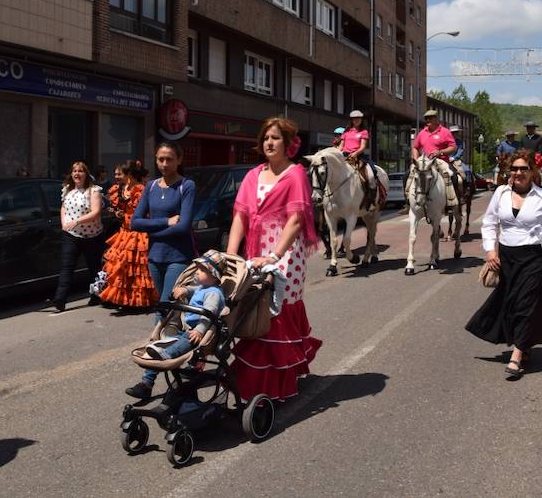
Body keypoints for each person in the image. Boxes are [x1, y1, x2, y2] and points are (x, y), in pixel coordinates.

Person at [226, 117, 322, 401]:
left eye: (276, 138)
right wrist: (231, 256)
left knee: (274, 311)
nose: (269, 142)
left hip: (286, 253)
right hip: (256, 253)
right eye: (266, 137)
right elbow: (240, 217)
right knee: (253, 308)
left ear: (289, 143)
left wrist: (276, 256)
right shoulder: (253, 175)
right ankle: (255, 379)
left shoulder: (296, 175)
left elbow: (296, 220)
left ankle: (276, 382)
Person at [465, 149, 542, 380]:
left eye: (523, 169)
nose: (518, 173)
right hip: (506, 256)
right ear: (508, 171)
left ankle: (516, 354)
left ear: (533, 171)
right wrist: (490, 250)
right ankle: (526, 343)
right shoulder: (501, 193)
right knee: (511, 302)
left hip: (533, 256)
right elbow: (489, 223)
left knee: (526, 302)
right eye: (514, 169)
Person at [125, 250, 227, 399]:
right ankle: (146, 383)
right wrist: (184, 290)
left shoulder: (214, 293)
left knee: (175, 346)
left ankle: (167, 355)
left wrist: (199, 330)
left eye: (202, 270)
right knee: (162, 343)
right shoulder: (202, 288)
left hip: (198, 333)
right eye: (197, 268)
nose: (197, 272)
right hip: (186, 329)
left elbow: (208, 314)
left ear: (213, 275)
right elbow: (192, 290)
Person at [131, 141, 196, 308]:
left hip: (179, 256)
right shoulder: (150, 186)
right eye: (161, 159)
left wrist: (150, 231)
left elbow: (183, 227)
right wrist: (166, 222)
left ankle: (159, 334)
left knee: (166, 304)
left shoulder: (186, 186)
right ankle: (169, 332)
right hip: (154, 256)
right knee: (164, 305)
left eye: (169, 159)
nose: (164, 164)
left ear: (179, 160)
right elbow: (135, 222)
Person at [96, 160, 156, 309]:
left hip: (138, 233)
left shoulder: (141, 190)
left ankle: (138, 301)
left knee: (136, 268)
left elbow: (146, 212)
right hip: (124, 232)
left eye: (119, 174)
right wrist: (117, 212)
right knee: (121, 266)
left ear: (128, 174)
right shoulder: (118, 190)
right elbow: (119, 209)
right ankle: (122, 299)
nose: (116, 177)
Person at [48, 161, 104, 312]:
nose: (77, 174)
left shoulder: (93, 191)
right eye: (74, 171)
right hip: (71, 235)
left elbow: (96, 212)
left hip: (92, 236)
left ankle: (97, 295)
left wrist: (77, 221)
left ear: (86, 174)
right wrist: (64, 222)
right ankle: (60, 299)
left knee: (94, 269)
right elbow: (63, 207)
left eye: (80, 171)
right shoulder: (67, 190)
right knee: (66, 267)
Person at [412, 109, 459, 206]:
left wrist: (440, 152)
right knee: (408, 175)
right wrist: (416, 160)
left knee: (453, 176)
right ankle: (408, 202)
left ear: (436, 119)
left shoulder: (445, 132)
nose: (428, 121)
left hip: (441, 161)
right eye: (426, 119)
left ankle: (452, 202)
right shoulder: (422, 133)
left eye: (430, 118)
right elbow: (415, 147)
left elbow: (453, 147)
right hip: (424, 162)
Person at [340, 110, 379, 202]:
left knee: (372, 172)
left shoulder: (364, 132)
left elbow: (363, 146)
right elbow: (341, 146)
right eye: (354, 119)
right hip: (345, 155)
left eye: (358, 118)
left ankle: (371, 196)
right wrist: (338, 153)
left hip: (358, 155)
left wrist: (355, 153)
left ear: (361, 120)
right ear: (351, 120)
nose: (356, 120)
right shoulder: (346, 132)